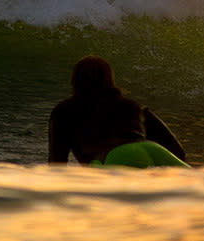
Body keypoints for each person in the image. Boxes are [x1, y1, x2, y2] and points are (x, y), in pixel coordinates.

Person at [48, 55, 189, 168]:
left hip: (112, 157)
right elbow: (177, 151)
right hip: (153, 150)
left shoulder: (64, 110)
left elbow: (57, 161)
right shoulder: (132, 106)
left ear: (75, 80)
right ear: (110, 79)